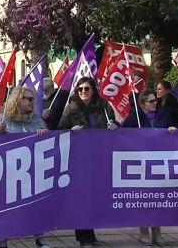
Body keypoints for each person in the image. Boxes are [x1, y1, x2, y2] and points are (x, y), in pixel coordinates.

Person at [58, 77, 117, 248]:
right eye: (80, 89)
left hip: (99, 157)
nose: (83, 92)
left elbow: (114, 126)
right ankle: (83, 237)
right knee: (81, 198)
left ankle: (91, 235)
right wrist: (71, 131)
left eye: (86, 89)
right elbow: (60, 129)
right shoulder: (71, 107)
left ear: (93, 90)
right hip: (79, 159)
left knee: (94, 197)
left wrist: (114, 126)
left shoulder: (104, 107)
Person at [0, 86, 50, 248]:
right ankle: (3, 239)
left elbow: (50, 141)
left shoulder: (37, 120)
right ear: (18, 100)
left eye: (33, 99)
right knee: (8, 208)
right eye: (28, 99)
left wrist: (44, 133)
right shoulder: (4, 119)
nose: (32, 102)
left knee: (34, 206)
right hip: (9, 173)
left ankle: (39, 237)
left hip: (32, 172)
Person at [122, 89, 177, 245]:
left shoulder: (163, 115)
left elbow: (173, 130)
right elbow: (122, 137)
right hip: (141, 164)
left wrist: (172, 131)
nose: (155, 103)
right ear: (142, 104)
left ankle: (157, 232)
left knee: (158, 198)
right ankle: (144, 231)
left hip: (159, 163)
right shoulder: (133, 118)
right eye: (151, 101)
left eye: (155, 101)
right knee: (145, 199)